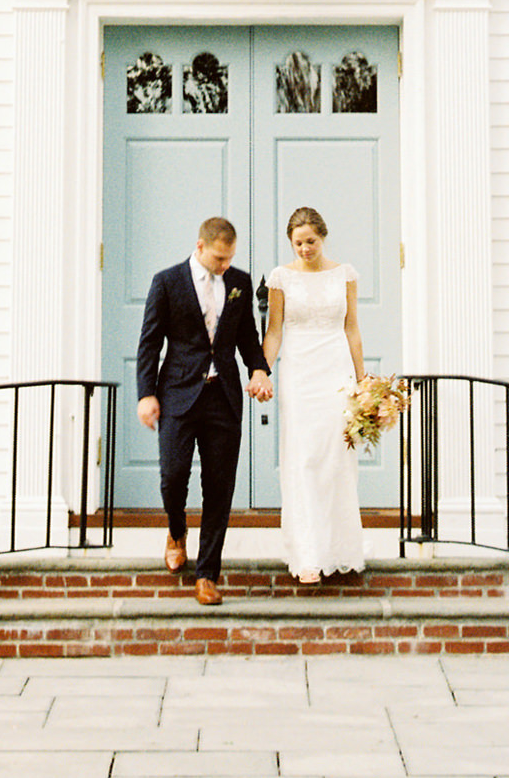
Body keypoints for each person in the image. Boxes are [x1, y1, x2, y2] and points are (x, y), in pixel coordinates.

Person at [135, 215, 273, 606]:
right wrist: (147, 394)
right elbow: (149, 343)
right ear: (200, 247)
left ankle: (208, 573)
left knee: (219, 485)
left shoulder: (240, 283)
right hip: (178, 394)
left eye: (229, 258)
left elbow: (247, 336)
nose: (224, 265)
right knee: (173, 474)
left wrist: (259, 368)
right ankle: (176, 530)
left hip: (223, 397)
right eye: (218, 258)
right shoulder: (167, 281)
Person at [261, 204, 366, 584]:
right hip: (299, 370)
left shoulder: (345, 275)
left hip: (336, 370)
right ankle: (307, 554)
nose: (305, 249)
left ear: (323, 237)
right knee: (303, 457)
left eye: (311, 241)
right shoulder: (280, 278)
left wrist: (363, 381)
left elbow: (352, 328)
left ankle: (338, 549)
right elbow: (274, 332)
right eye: (298, 243)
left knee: (337, 458)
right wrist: (262, 370)